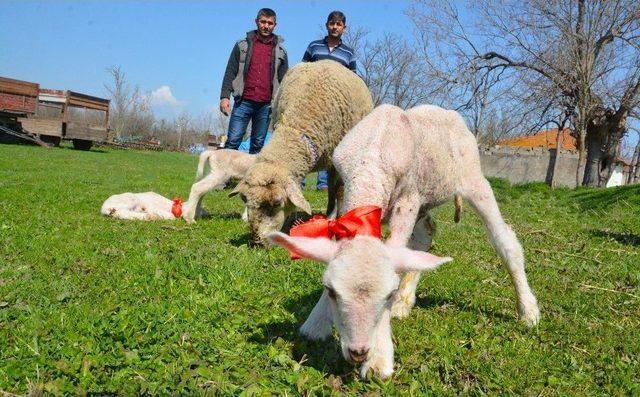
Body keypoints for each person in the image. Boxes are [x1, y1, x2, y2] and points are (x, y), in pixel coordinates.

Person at [219, 8, 288, 154]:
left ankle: (251, 178)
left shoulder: (281, 51)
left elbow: (284, 81)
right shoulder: (242, 45)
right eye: (263, 22)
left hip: (266, 105)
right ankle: (226, 177)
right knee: (233, 141)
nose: (266, 26)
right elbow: (230, 70)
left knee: (258, 146)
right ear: (256, 21)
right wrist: (225, 96)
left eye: (270, 23)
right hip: (243, 101)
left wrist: (284, 106)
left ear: (275, 25)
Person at [301, 10, 357, 191]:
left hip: (334, 106)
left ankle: (323, 183)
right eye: (332, 23)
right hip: (312, 102)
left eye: (339, 24)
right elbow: (302, 71)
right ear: (327, 25)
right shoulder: (314, 46)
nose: (335, 27)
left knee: (330, 142)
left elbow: (353, 79)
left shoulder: (349, 53)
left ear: (344, 28)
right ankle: (299, 179)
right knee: (305, 139)